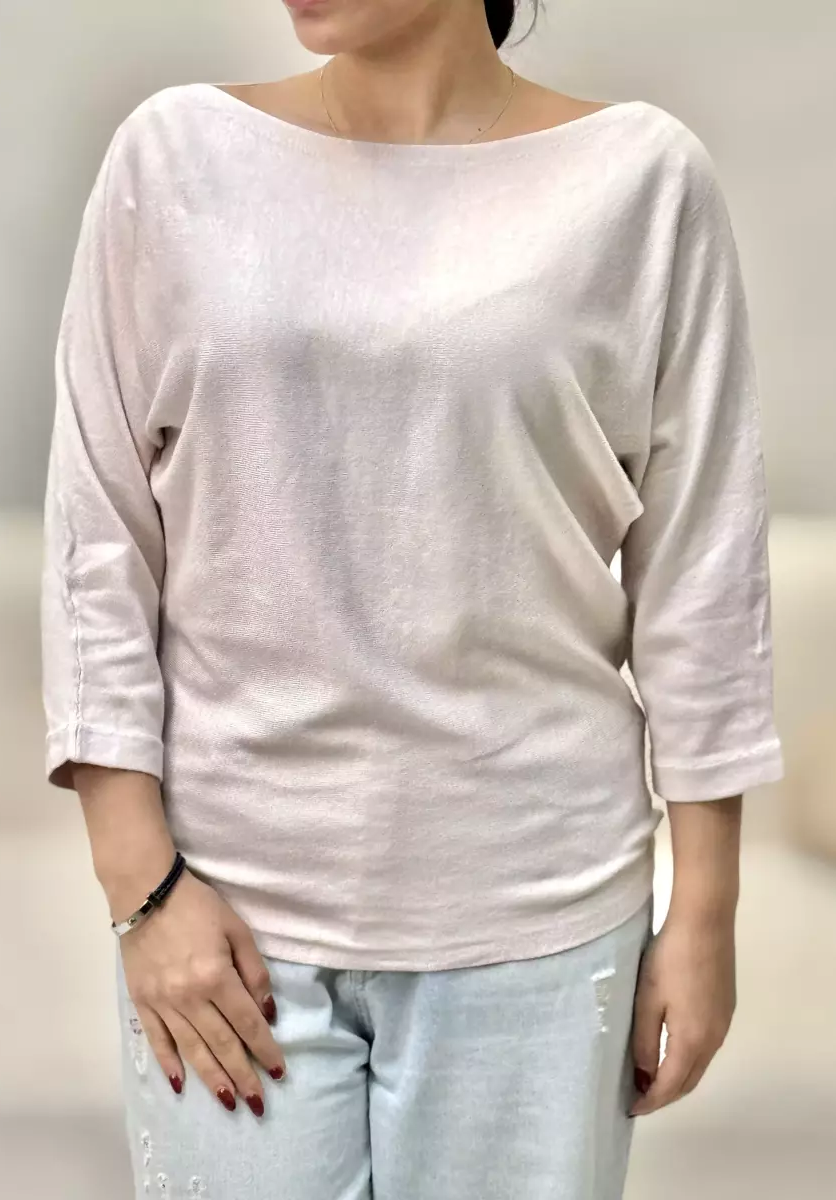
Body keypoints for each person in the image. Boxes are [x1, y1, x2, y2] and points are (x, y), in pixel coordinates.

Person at [41, 1, 785, 1196]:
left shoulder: (640, 183)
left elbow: (700, 570)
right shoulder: (172, 158)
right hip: (224, 919)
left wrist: (703, 911)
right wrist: (141, 887)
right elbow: (99, 537)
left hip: (539, 914)